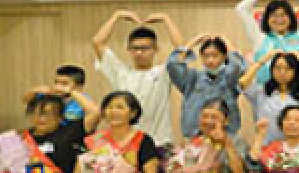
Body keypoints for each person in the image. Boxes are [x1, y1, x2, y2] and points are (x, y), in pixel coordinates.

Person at [93, 10, 183, 149]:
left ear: (155, 49)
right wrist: (117, 16)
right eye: (134, 48)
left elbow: (182, 49)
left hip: (159, 143)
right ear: (128, 49)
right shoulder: (119, 72)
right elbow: (98, 42)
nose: (139, 52)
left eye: (145, 48)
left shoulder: (164, 72)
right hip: (127, 143)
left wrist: (166, 19)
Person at [234, 0, 299, 86]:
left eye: (283, 15)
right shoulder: (259, 38)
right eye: (274, 15)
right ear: (267, 19)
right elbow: (242, 9)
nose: (279, 19)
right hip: (267, 93)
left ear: (291, 17)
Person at [167, 34, 246, 137]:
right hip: (195, 136)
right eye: (206, 56)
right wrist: (194, 42)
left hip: (226, 136)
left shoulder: (229, 78)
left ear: (224, 57)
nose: (210, 60)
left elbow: (237, 66)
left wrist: (226, 42)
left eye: (215, 55)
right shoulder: (192, 77)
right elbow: (173, 65)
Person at [240, 50, 299, 143]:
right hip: (266, 147)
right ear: (271, 70)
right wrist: (263, 60)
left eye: (288, 68)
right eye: (277, 68)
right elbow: (243, 82)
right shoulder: (262, 92)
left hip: (295, 147)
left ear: (295, 71)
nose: (282, 72)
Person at [23, 64, 91, 123]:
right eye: (56, 82)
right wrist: (37, 90)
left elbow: (92, 112)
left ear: (78, 87)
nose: (58, 87)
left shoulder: (83, 99)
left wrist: (72, 92)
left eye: (64, 84)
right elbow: (26, 99)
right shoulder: (51, 96)